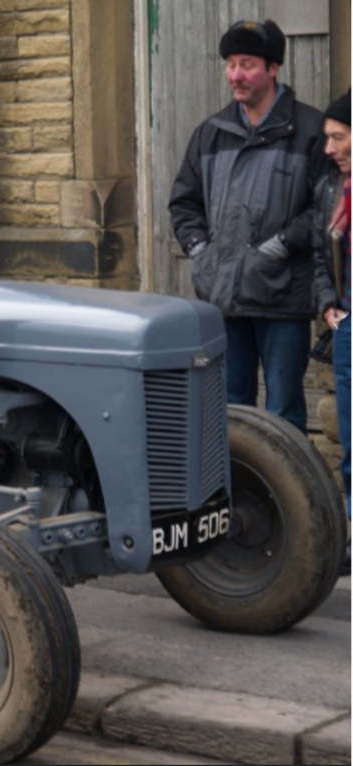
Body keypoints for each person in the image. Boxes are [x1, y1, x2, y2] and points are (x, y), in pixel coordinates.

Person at [169, 20, 325, 434]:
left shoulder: (310, 131)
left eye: (248, 65)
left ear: (274, 68)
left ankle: (286, 497)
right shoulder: (211, 133)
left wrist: (281, 245)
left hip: (282, 298)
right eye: (231, 64)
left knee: (284, 413)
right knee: (230, 411)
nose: (236, 75)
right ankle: (237, 496)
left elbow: (325, 208)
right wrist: (201, 251)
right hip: (224, 299)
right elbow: (184, 202)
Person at [312, 88, 353, 574]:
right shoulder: (333, 191)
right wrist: (330, 307)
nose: (329, 148)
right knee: (352, 435)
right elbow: (322, 255)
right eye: (327, 138)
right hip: (348, 327)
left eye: (338, 138)